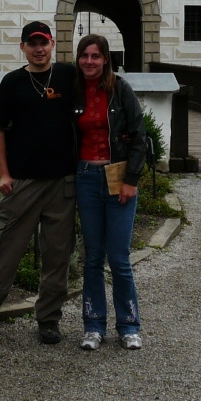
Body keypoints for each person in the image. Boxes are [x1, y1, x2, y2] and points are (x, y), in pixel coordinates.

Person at [0, 20, 78, 346]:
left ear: (52, 45)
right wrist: (3, 174)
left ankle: (49, 320)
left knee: (57, 255)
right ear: (22, 47)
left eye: (44, 43)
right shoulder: (12, 82)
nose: (39, 49)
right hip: (23, 182)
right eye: (32, 44)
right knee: (2, 249)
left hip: (63, 183)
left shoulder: (68, 75)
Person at [73, 33, 147, 350]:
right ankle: (93, 326)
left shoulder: (120, 89)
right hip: (86, 176)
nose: (89, 61)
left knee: (119, 258)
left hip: (117, 176)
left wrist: (131, 179)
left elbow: (139, 136)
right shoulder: (74, 91)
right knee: (92, 258)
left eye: (96, 56)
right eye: (84, 55)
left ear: (106, 59)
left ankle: (129, 326)